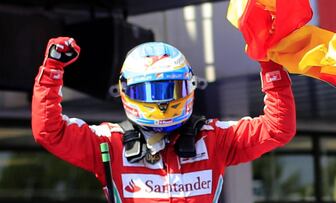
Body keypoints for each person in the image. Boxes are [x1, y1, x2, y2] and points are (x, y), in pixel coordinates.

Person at [32, 36, 296, 203]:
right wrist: (52, 71)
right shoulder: (109, 143)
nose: (161, 102)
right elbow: (50, 132)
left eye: (171, 89)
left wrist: (270, 66)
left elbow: (277, 128)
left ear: (190, 86)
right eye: (148, 91)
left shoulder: (213, 137)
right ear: (126, 92)